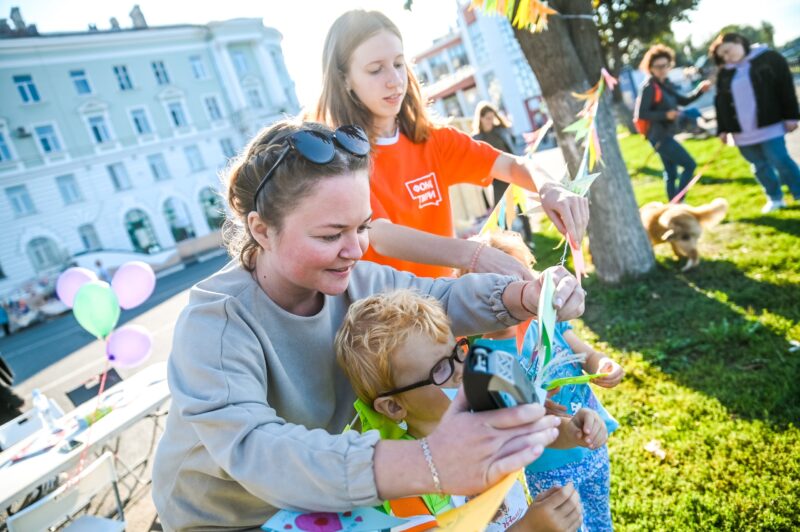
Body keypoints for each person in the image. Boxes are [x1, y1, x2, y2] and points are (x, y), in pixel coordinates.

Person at [151, 119, 587, 530]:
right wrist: (429, 462)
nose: (355, 250)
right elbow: (259, 449)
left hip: (317, 498)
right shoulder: (215, 322)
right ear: (262, 230)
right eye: (329, 235)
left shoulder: (355, 280)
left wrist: (526, 296)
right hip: (227, 518)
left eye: (362, 227)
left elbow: (440, 299)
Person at [312, 10, 588, 279]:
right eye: (375, 70)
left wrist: (550, 188)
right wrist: (473, 253)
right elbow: (380, 235)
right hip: (389, 315)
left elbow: (511, 165)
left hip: (446, 308)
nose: (395, 80)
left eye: (398, 64)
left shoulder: (434, 140)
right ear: (345, 79)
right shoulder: (340, 157)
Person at [336, 289, 584, 531]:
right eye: (440, 369)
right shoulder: (405, 485)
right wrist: (529, 528)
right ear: (394, 406)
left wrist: (570, 430)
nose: (459, 369)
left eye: (457, 351)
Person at [710, 32, 800, 213]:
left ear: (738, 41)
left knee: (780, 160)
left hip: (770, 125)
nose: (727, 57)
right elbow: (720, 103)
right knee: (759, 166)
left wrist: (792, 116)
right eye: (723, 56)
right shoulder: (725, 72)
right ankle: (775, 198)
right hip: (741, 132)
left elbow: (785, 87)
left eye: (727, 51)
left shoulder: (769, 58)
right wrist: (722, 129)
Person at [634, 44, 712, 201]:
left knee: (671, 173)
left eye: (666, 65)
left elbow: (683, 100)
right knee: (689, 165)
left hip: (666, 134)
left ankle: (673, 206)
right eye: (658, 66)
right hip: (659, 137)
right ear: (650, 67)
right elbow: (642, 113)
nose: (662, 69)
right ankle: (679, 202)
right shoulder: (649, 87)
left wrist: (699, 91)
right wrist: (665, 114)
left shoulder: (666, 84)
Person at [473, 102, 534, 245]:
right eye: (487, 118)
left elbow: (512, 149)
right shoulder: (477, 138)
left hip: (513, 176)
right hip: (497, 180)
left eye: (492, 117)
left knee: (520, 207)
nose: (490, 121)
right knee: (500, 212)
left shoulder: (500, 131)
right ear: (480, 118)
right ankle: (506, 243)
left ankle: (530, 239)